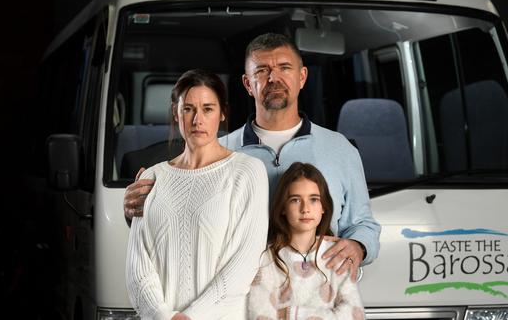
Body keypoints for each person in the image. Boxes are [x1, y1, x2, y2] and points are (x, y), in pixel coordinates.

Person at [124, 33, 380, 281]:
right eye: (261, 71)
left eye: (284, 68)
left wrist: (358, 246)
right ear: (248, 84)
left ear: (302, 77)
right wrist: (137, 209)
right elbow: (182, 219)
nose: (274, 78)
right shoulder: (217, 150)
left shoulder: (340, 149)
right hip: (238, 300)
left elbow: (363, 223)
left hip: (316, 294)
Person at [126, 69, 269, 320]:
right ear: (175, 113)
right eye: (188, 109)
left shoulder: (247, 172)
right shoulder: (151, 177)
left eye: (208, 109)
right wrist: (163, 316)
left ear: (222, 113)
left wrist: (190, 316)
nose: (197, 120)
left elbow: (245, 263)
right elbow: (138, 268)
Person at [247, 162, 365, 320]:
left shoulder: (336, 255)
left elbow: (354, 314)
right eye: (295, 200)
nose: (305, 209)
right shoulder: (266, 259)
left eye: (314, 199)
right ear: (283, 207)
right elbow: (259, 315)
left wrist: (291, 314)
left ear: (324, 207)